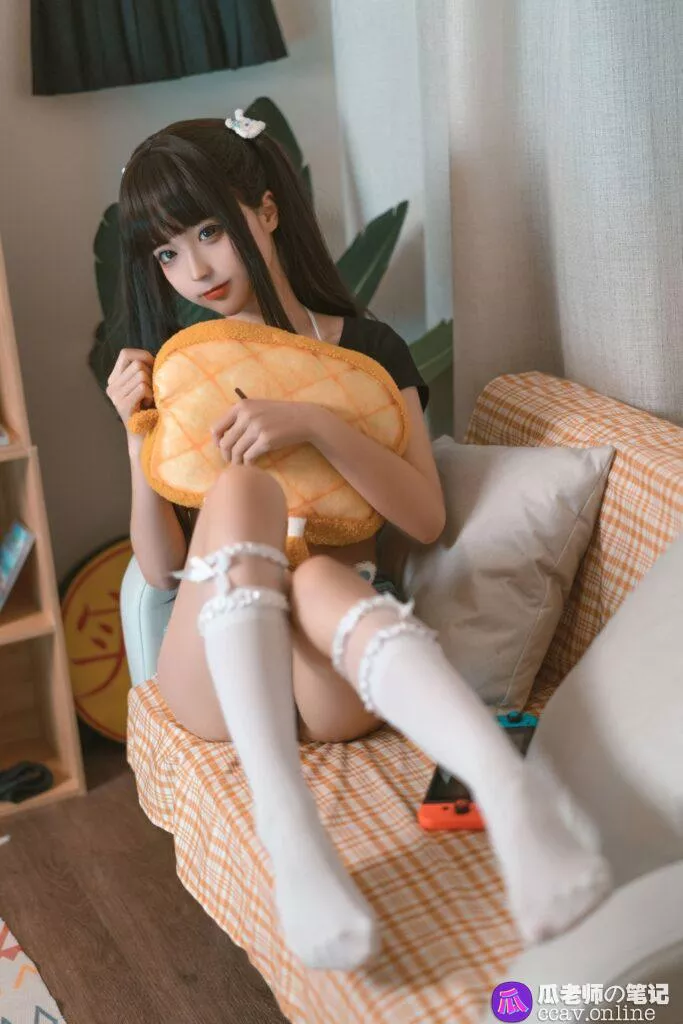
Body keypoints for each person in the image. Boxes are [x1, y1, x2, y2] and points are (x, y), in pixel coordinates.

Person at [107, 111, 612, 972]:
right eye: (167, 252)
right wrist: (134, 439)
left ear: (266, 211)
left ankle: (504, 788)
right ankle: (288, 824)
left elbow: (425, 519)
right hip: (213, 680)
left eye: (208, 231)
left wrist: (314, 424)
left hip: (332, 681)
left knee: (313, 579)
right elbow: (159, 571)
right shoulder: (179, 367)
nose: (195, 269)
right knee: (241, 490)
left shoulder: (367, 353)